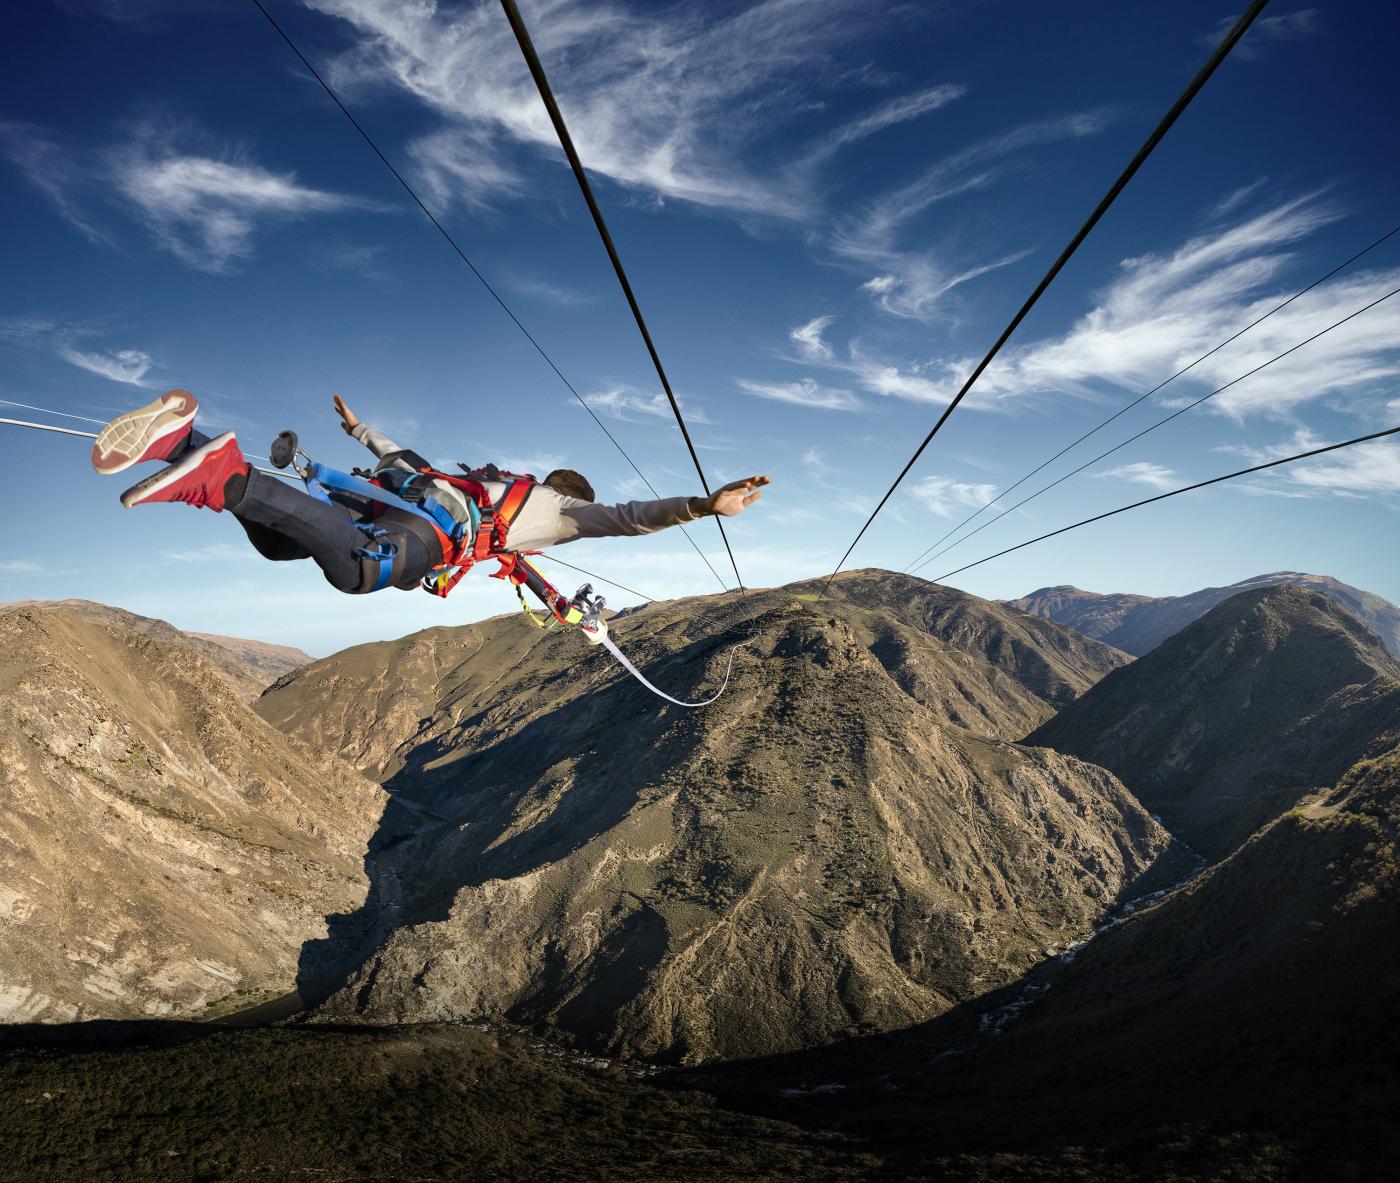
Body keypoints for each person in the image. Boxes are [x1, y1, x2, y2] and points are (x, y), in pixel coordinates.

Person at [91, 389, 769, 595]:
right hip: (426, 528)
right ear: (569, 494)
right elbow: (626, 518)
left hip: (391, 494)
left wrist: (360, 427)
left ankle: (182, 442)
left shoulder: (490, 481)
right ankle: (221, 475)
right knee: (360, 571)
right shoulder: (560, 512)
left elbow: (400, 456)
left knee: (282, 546)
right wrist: (704, 506)